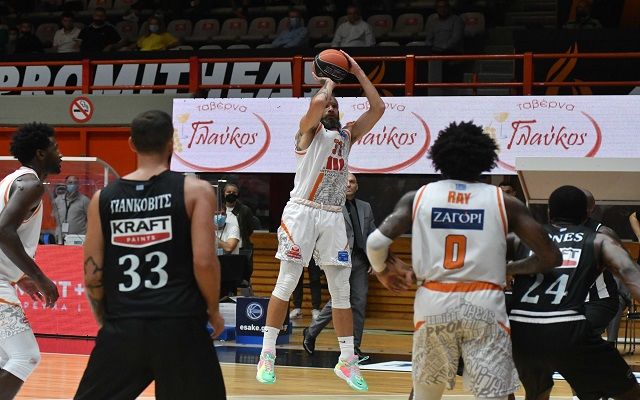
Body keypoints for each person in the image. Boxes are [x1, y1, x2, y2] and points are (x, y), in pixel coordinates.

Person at [366, 121, 562, 400]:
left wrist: (382, 271)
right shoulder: (504, 201)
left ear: (439, 158)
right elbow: (550, 257)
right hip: (484, 301)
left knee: (426, 392)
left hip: (434, 300)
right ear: (486, 158)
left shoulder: (418, 197)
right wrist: (509, 268)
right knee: (493, 393)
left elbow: (375, 243)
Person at [73, 110, 226, 399]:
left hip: (124, 324)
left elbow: (92, 272)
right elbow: (204, 262)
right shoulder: (196, 191)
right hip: (180, 323)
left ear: (131, 143)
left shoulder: (102, 198)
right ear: (172, 143)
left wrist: (105, 319)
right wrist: (214, 311)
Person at [256, 51, 384, 391]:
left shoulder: (347, 136)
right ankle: (267, 354)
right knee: (287, 281)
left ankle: (347, 361)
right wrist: (329, 80)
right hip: (302, 210)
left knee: (341, 290)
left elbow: (378, 108)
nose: (330, 107)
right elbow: (316, 103)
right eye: (328, 104)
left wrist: (356, 70)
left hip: (332, 215)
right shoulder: (307, 134)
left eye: (335, 106)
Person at [508, 185, 640, 400]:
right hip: (566, 327)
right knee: (630, 393)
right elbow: (632, 276)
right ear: (586, 213)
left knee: (537, 392)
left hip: (521, 329)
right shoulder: (599, 239)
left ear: (549, 212)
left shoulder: (520, 238)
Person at [0, 122, 61, 400]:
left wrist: (19, 275)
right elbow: (4, 231)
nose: (60, 154)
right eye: (55, 148)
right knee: (26, 356)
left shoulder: (13, 180)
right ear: (40, 153)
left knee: (5, 360)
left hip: (5, 279)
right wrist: (39, 277)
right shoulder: (30, 185)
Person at [303, 172, 376, 359]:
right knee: (339, 299)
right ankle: (311, 332)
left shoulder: (365, 207)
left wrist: (375, 260)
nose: (349, 184)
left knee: (359, 302)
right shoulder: (330, 206)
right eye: (346, 181)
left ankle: (355, 347)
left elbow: (372, 235)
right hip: (339, 258)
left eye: (352, 182)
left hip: (360, 260)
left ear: (357, 186)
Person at [52, 175, 90, 244]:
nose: (73, 185)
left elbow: (91, 219)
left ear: (78, 185)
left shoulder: (85, 200)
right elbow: (55, 219)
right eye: (70, 183)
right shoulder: (57, 200)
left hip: (78, 239)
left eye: (75, 183)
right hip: (60, 238)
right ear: (65, 184)